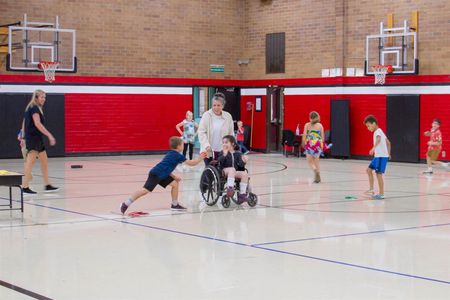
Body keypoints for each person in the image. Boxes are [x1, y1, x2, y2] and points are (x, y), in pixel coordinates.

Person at [120, 136, 206, 214]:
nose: (183, 146)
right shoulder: (178, 155)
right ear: (179, 146)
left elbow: (166, 168)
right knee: (145, 191)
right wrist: (200, 158)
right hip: (156, 174)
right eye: (182, 145)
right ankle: (126, 203)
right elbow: (191, 163)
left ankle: (174, 205)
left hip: (162, 174)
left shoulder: (170, 153)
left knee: (175, 184)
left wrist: (174, 177)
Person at [22, 90, 59, 194]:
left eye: (45, 97)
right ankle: (25, 187)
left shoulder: (35, 108)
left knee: (44, 161)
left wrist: (22, 133)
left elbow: (24, 121)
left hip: (38, 138)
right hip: (33, 139)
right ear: (37, 97)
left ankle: (47, 185)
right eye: (42, 97)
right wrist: (49, 135)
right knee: (30, 162)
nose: (44, 99)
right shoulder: (33, 108)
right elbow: (37, 124)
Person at [198, 92, 234, 165]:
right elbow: (201, 132)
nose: (216, 107)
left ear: (223, 106)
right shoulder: (206, 115)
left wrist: (230, 146)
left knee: (223, 172)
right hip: (208, 151)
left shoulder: (228, 116)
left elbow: (231, 134)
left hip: (223, 151)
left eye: (218, 105)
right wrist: (206, 145)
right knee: (210, 172)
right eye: (214, 105)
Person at [364, 115, 391, 200]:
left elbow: (378, 140)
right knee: (368, 170)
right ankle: (372, 189)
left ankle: (381, 194)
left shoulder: (378, 131)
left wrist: (373, 148)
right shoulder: (381, 131)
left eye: (368, 126)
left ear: (374, 123)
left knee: (378, 174)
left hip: (381, 156)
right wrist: (389, 153)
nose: (368, 128)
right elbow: (388, 143)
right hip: (378, 156)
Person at [218, 135, 249, 203]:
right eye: (223, 143)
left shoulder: (238, 153)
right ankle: (230, 188)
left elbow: (240, 166)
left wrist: (244, 161)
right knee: (232, 169)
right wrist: (224, 155)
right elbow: (219, 162)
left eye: (226, 142)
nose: (224, 144)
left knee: (244, 174)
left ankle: (242, 194)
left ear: (232, 144)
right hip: (224, 171)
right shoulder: (222, 152)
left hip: (234, 172)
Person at [302, 111, 325, 183]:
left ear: (310, 118)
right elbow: (323, 137)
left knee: (309, 161)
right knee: (316, 161)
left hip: (310, 143)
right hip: (318, 143)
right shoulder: (320, 125)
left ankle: (315, 170)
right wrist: (321, 145)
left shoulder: (307, 125)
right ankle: (318, 177)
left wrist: (303, 142)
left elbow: (305, 134)